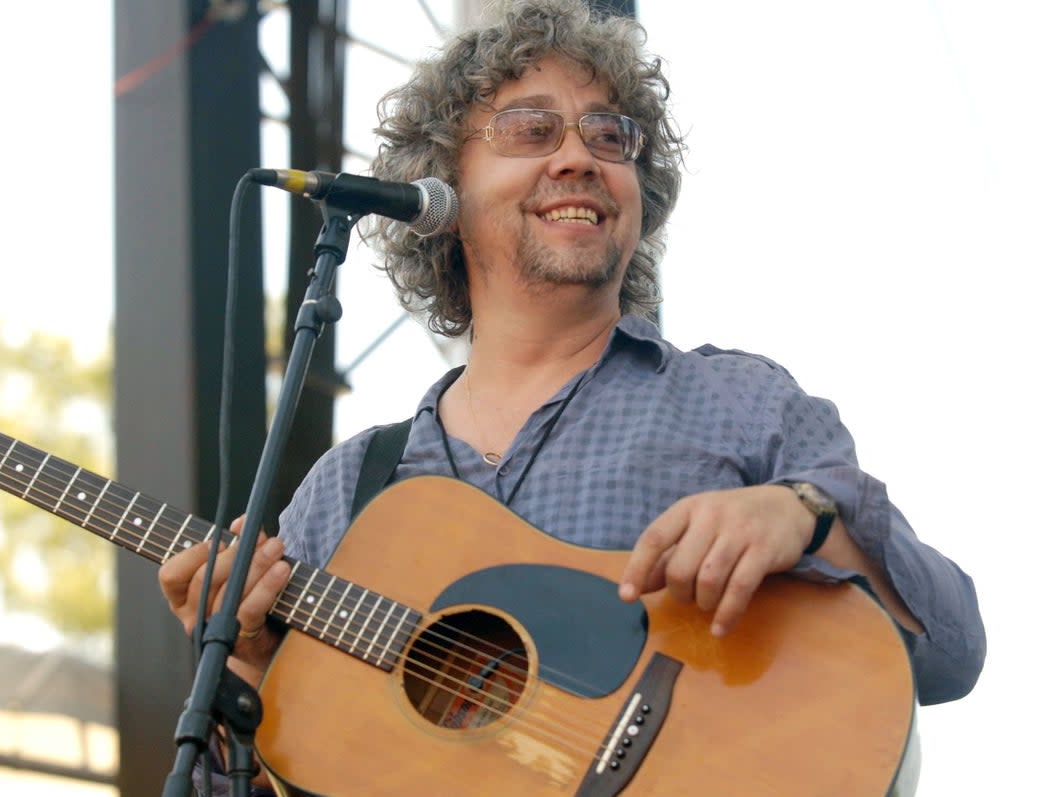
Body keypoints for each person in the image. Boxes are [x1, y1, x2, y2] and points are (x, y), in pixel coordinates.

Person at [159, 0, 985, 793]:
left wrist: (806, 513)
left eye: (609, 134)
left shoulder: (738, 402)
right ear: (440, 191)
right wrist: (246, 665)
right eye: (531, 128)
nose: (579, 155)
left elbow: (951, 647)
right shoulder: (347, 489)